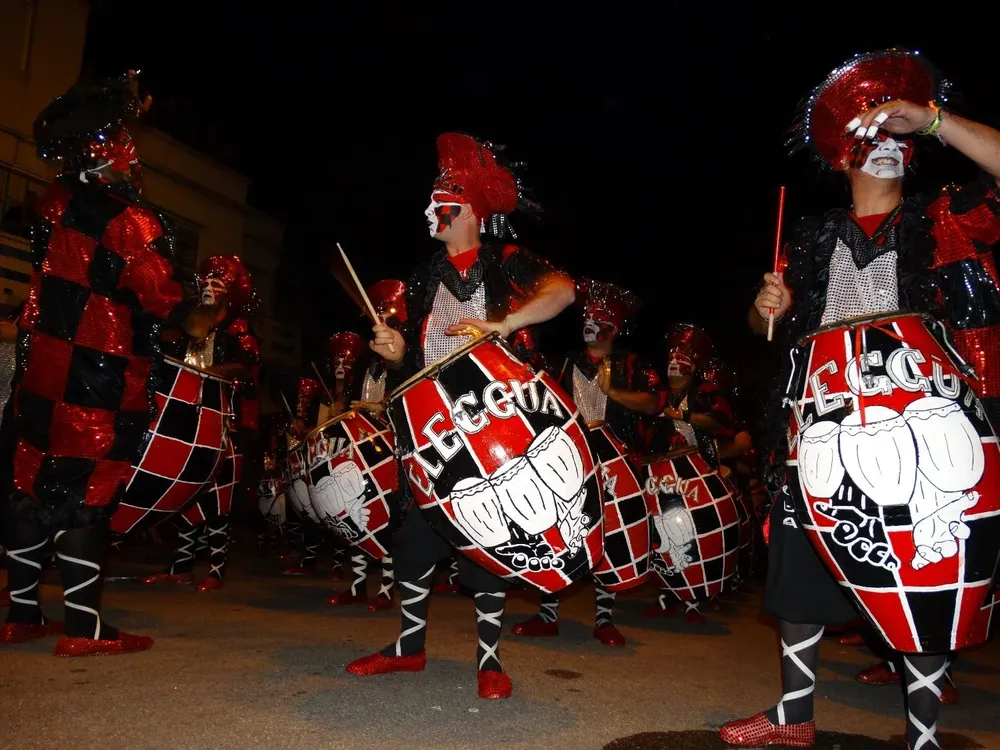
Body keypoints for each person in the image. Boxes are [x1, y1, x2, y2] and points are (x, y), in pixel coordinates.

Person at [720, 49, 1000, 749]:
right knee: (798, 565)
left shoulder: (947, 221)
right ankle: (794, 715)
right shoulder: (809, 240)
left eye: (899, 139)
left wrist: (931, 119)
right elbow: (766, 331)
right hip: (817, 421)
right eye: (872, 138)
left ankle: (925, 735)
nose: (889, 146)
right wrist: (764, 308)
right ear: (845, 157)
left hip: (925, 419)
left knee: (927, 563)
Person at [346, 132, 575, 699]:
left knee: (494, 537)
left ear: (470, 210)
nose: (430, 211)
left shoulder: (508, 261)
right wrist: (397, 351)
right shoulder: (422, 276)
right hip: (432, 427)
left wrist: (503, 325)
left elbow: (564, 292)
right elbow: (415, 355)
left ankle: (490, 661)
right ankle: (408, 648)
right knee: (415, 537)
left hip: (499, 420)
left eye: (441, 201)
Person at [1, 72, 215, 655]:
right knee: (90, 489)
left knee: (28, 479)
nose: (134, 158)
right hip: (101, 373)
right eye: (127, 147)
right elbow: (160, 297)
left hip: (40, 368)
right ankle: (82, 627)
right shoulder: (131, 220)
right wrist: (196, 303)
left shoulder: (51, 203)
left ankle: (21, 611)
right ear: (110, 154)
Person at [512, 278, 659, 646]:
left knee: (609, 533)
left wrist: (613, 393)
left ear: (616, 326)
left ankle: (604, 618)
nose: (590, 322)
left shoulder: (633, 365)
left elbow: (654, 404)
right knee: (556, 530)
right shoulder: (564, 363)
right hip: (570, 459)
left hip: (617, 463)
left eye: (599, 317)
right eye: (587, 316)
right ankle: (547, 614)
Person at [143, 255, 260, 591]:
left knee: (218, 501)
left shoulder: (237, 329)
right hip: (185, 421)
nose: (210, 286)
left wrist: (213, 376)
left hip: (224, 424)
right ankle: (180, 566)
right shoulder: (188, 325)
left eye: (218, 281)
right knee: (181, 493)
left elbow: (246, 363)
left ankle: (217, 567)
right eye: (206, 280)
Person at [641, 323, 735, 623]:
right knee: (658, 533)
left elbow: (720, 423)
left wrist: (681, 415)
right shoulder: (655, 394)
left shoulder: (706, 393)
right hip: (658, 473)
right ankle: (666, 593)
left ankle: (694, 600)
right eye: (671, 356)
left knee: (692, 532)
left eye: (682, 358)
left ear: (693, 366)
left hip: (695, 474)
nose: (674, 363)